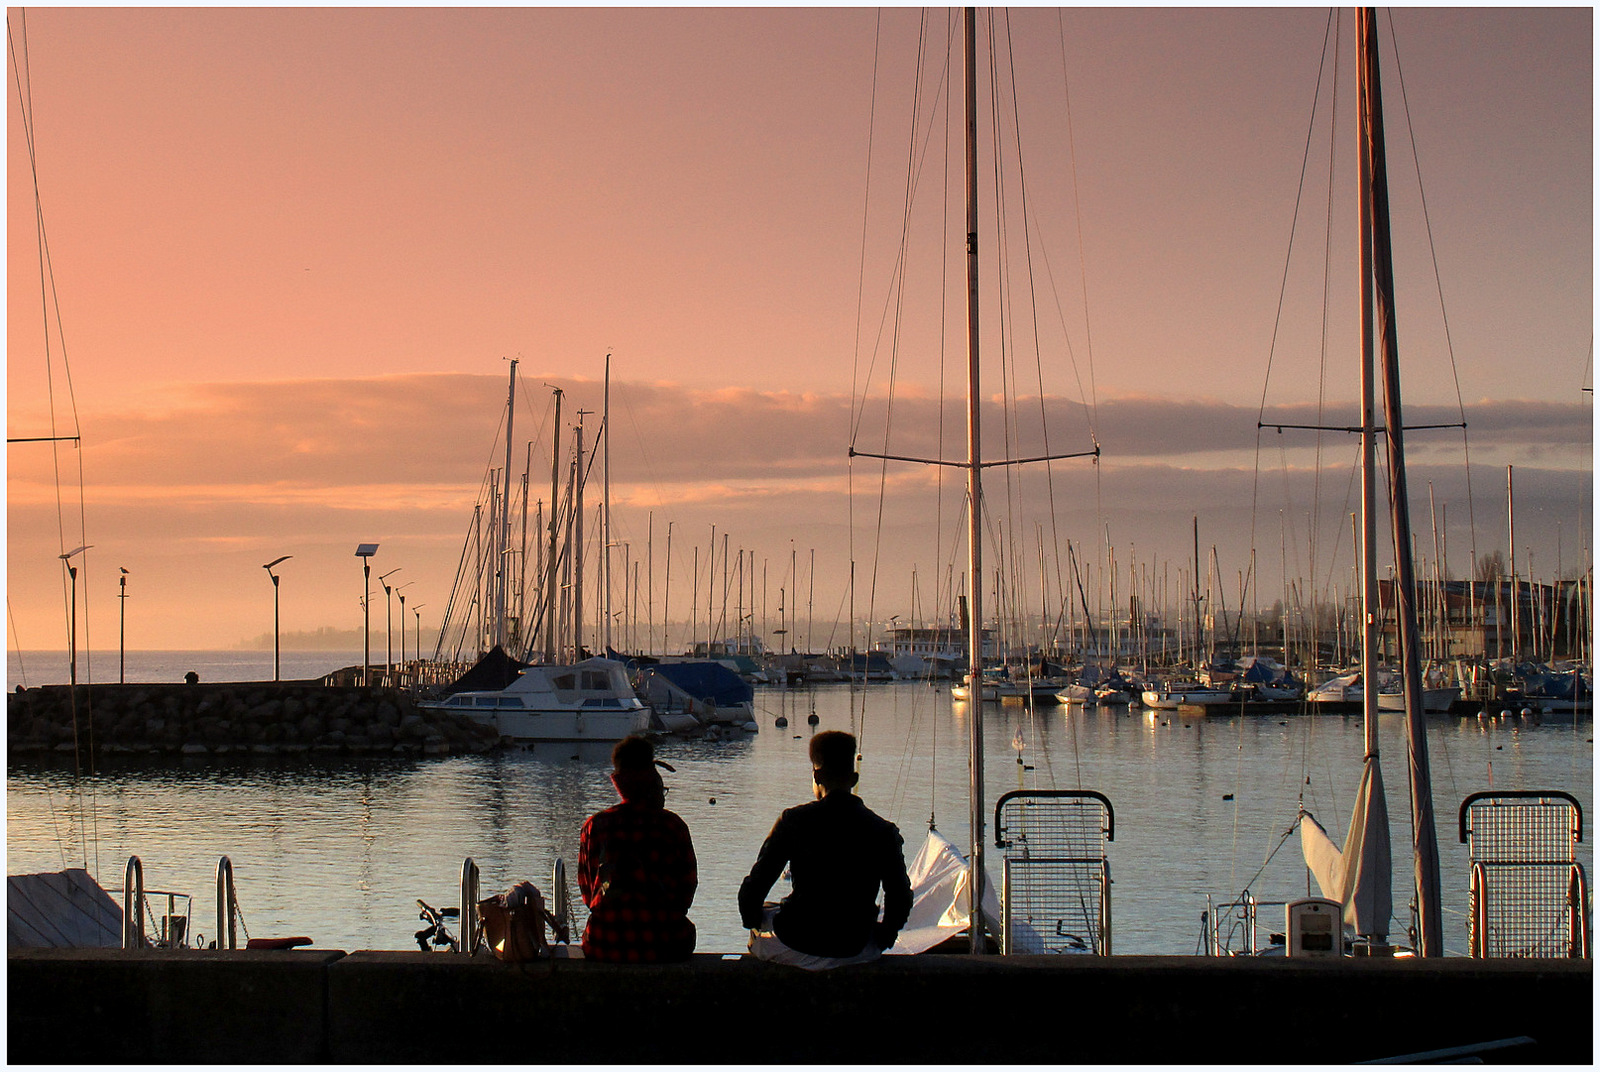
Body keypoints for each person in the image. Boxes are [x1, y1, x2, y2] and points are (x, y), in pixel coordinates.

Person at [738, 730, 913, 969]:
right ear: (853, 779)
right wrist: (885, 935)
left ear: (816, 775)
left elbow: (754, 888)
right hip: (856, 946)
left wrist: (752, 919)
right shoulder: (884, 831)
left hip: (798, 941)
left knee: (761, 928)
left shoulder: (793, 821)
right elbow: (901, 897)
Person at [577, 735, 697, 962]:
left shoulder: (595, 826)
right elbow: (686, 891)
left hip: (604, 943)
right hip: (666, 944)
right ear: (652, 782)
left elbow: (587, 892)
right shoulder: (673, 826)